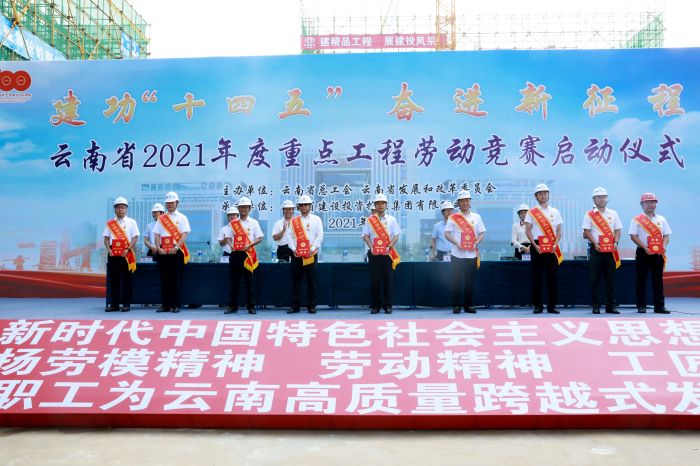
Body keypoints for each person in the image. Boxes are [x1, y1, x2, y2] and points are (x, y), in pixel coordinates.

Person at [629, 192, 672, 314]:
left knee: (658, 281)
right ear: (642, 205)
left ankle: (659, 306)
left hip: (658, 253)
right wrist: (644, 247)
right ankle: (641, 305)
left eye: (652, 202)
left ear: (656, 204)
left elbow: (666, 235)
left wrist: (663, 246)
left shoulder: (661, 219)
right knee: (641, 280)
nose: (650, 205)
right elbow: (633, 236)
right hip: (643, 252)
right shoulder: (637, 219)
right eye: (647, 202)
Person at [444, 190, 486, 314]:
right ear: (458, 203)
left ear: (470, 202)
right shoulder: (453, 217)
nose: (464, 203)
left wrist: (476, 243)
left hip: (471, 255)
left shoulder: (477, 217)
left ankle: (469, 306)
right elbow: (447, 234)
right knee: (456, 281)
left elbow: (482, 233)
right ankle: (456, 306)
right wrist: (457, 243)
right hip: (457, 254)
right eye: (462, 201)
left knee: (470, 282)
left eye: (467, 200)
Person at [582, 187, 622, 315]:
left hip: (610, 249)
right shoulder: (589, 214)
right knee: (595, 279)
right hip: (596, 249)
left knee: (611, 279)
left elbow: (618, 230)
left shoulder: (613, 213)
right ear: (594, 199)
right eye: (599, 197)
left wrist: (616, 242)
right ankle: (596, 306)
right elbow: (586, 231)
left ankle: (611, 305)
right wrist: (595, 243)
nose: (602, 199)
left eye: (604, 196)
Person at [524, 183, 564, 314]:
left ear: (548, 195)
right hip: (537, 246)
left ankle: (552, 306)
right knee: (537, 278)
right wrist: (534, 245)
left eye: (545, 193)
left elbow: (559, 231)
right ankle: (538, 306)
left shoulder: (555, 211)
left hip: (552, 246)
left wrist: (555, 244)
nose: (543, 195)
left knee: (552, 278)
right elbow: (528, 230)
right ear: (536, 196)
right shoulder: (531, 212)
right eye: (540, 194)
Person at [362, 193, 401, 314]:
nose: (380, 205)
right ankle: (375, 305)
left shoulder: (391, 219)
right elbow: (365, 236)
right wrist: (371, 247)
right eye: (378, 203)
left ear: (386, 205)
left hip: (387, 254)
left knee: (388, 280)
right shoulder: (370, 220)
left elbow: (396, 235)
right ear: (375, 205)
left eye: (383, 203)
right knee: (375, 281)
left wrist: (390, 245)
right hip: (374, 254)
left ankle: (387, 305)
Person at [223, 197, 263, 314]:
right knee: (234, 282)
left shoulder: (254, 223)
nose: (243, 209)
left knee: (249, 282)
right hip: (235, 254)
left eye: (246, 207)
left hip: (248, 255)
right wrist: (231, 245)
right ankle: (232, 306)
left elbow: (260, 237)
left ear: (249, 208)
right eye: (241, 207)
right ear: (238, 209)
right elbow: (227, 237)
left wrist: (250, 244)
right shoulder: (234, 223)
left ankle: (251, 306)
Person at [153, 191, 191, 313]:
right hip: (163, 252)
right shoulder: (161, 218)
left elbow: (184, 234)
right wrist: (158, 247)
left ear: (177, 203)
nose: (169, 204)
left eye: (172, 202)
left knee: (175, 279)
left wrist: (176, 247)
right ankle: (165, 305)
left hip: (176, 251)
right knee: (164, 279)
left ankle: (175, 305)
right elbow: (157, 234)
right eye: (168, 203)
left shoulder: (182, 217)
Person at [286, 195, 324, 314]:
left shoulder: (316, 219)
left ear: (310, 206)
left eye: (306, 205)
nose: (303, 207)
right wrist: (293, 249)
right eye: (301, 205)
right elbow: (289, 236)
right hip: (297, 255)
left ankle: (311, 306)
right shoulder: (294, 221)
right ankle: (295, 306)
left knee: (311, 281)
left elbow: (320, 235)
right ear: (298, 207)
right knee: (296, 281)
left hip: (311, 255)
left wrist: (312, 249)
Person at [103, 196, 139, 312]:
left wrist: (128, 249)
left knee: (127, 280)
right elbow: (106, 238)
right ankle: (114, 304)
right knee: (114, 280)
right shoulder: (110, 223)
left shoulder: (132, 222)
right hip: (113, 254)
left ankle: (126, 304)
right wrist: (108, 249)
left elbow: (135, 237)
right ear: (115, 209)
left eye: (123, 207)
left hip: (126, 253)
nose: (120, 210)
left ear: (126, 209)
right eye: (118, 207)